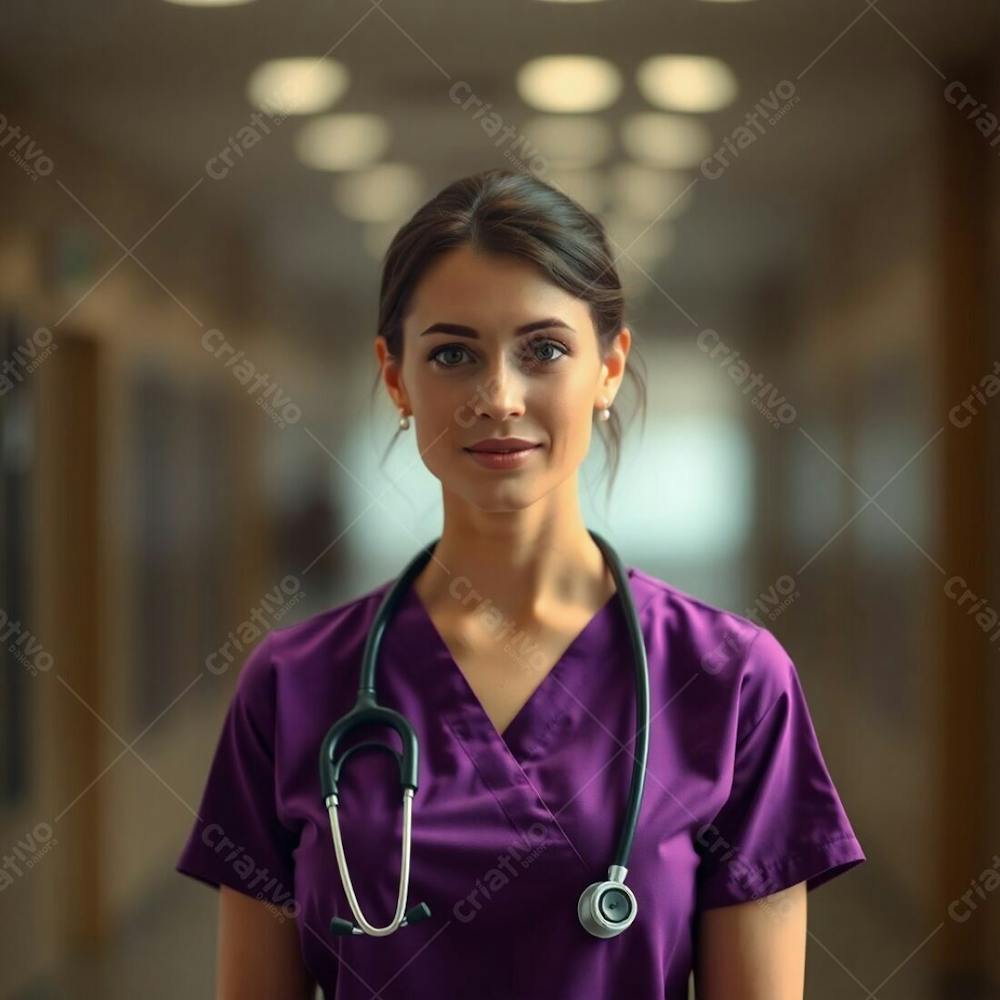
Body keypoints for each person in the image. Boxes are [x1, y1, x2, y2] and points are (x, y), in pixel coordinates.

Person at [176, 168, 865, 999]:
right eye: (453, 354)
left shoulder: (732, 680)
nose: (498, 398)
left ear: (610, 366)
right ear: (396, 378)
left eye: (543, 349)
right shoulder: (292, 685)